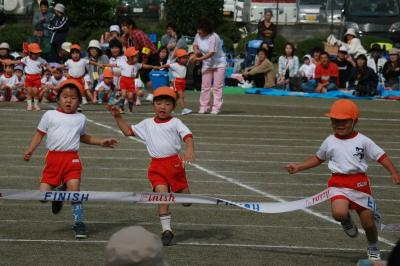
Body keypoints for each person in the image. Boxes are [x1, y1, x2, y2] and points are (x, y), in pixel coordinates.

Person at [286, 99, 400, 261]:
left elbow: (381, 156)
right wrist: (298, 167)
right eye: (335, 120)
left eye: (344, 121)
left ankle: (373, 245)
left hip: (360, 184)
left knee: (368, 223)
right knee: (338, 213)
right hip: (338, 183)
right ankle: (346, 221)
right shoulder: (329, 141)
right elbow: (318, 158)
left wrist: (394, 172)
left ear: (355, 121)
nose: (339, 124)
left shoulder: (364, 140)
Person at [23, 79, 118, 239]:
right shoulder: (49, 115)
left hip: (72, 160)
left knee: (75, 192)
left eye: (73, 98)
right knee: (43, 196)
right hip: (53, 159)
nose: (69, 100)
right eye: (65, 96)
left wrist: (101, 141)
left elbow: (83, 137)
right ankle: (59, 192)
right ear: (58, 98)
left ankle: (79, 223)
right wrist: (30, 150)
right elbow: (40, 134)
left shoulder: (80, 118)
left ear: (79, 101)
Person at [108, 86, 195, 246]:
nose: (163, 107)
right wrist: (118, 117)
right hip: (156, 167)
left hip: (174, 166)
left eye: (167, 104)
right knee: (162, 197)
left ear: (173, 107)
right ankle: (166, 231)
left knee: (186, 201)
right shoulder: (147, 123)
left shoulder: (176, 122)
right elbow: (128, 131)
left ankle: (183, 198)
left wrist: (189, 149)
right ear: (153, 105)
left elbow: (188, 136)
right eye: (159, 103)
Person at [191, 18, 227, 115]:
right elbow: (195, 45)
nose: (198, 31)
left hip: (219, 63)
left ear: (206, 29)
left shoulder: (214, 37)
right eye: (197, 29)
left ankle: (216, 108)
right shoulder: (198, 35)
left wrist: (198, 59)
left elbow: (211, 53)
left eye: (200, 29)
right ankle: (204, 107)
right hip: (207, 64)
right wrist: (196, 51)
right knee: (205, 86)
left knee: (217, 87)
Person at [1, 43, 49, 111]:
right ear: (30, 53)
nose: (36, 55)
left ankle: (36, 105)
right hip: (29, 78)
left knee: (36, 92)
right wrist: (10, 62)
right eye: (34, 53)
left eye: (37, 53)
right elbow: (18, 61)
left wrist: (51, 69)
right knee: (29, 92)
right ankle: (29, 105)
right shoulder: (26, 59)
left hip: (37, 78)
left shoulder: (40, 59)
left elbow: (46, 64)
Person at [106, 47, 155, 112]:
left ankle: (130, 108)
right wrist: (103, 65)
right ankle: (121, 107)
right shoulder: (123, 63)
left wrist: (153, 66)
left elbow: (144, 65)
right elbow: (113, 65)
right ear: (130, 58)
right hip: (123, 80)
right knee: (123, 94)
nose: (137, 58)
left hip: (131, 81)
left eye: (137, 57)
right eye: (136, 57)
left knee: (130, 96)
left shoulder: (137, 65)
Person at [121, 18, 157, 102]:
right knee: (132, 73)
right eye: (122, 27)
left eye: (124, 26)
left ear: (130, 26)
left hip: (151, 54)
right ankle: (133, 96)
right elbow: (128, 50)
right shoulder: (125, 37)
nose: (122, 28)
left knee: (143, 73)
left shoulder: (138, 34)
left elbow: (146, 48)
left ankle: (152, 93)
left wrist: (143, 62)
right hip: (137, 55)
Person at [157, 49, 192, 115]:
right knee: (181, 95)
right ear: (178, 59)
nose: (185, 59)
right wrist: (159, 67)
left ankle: (169, 109)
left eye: (186, 58)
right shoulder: (175, 65)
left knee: (176, 97)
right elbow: (167, 65)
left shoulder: (185, 64)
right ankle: (183, 109)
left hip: (183, 81)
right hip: (177, 81)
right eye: (183, 58)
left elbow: (191, 58)